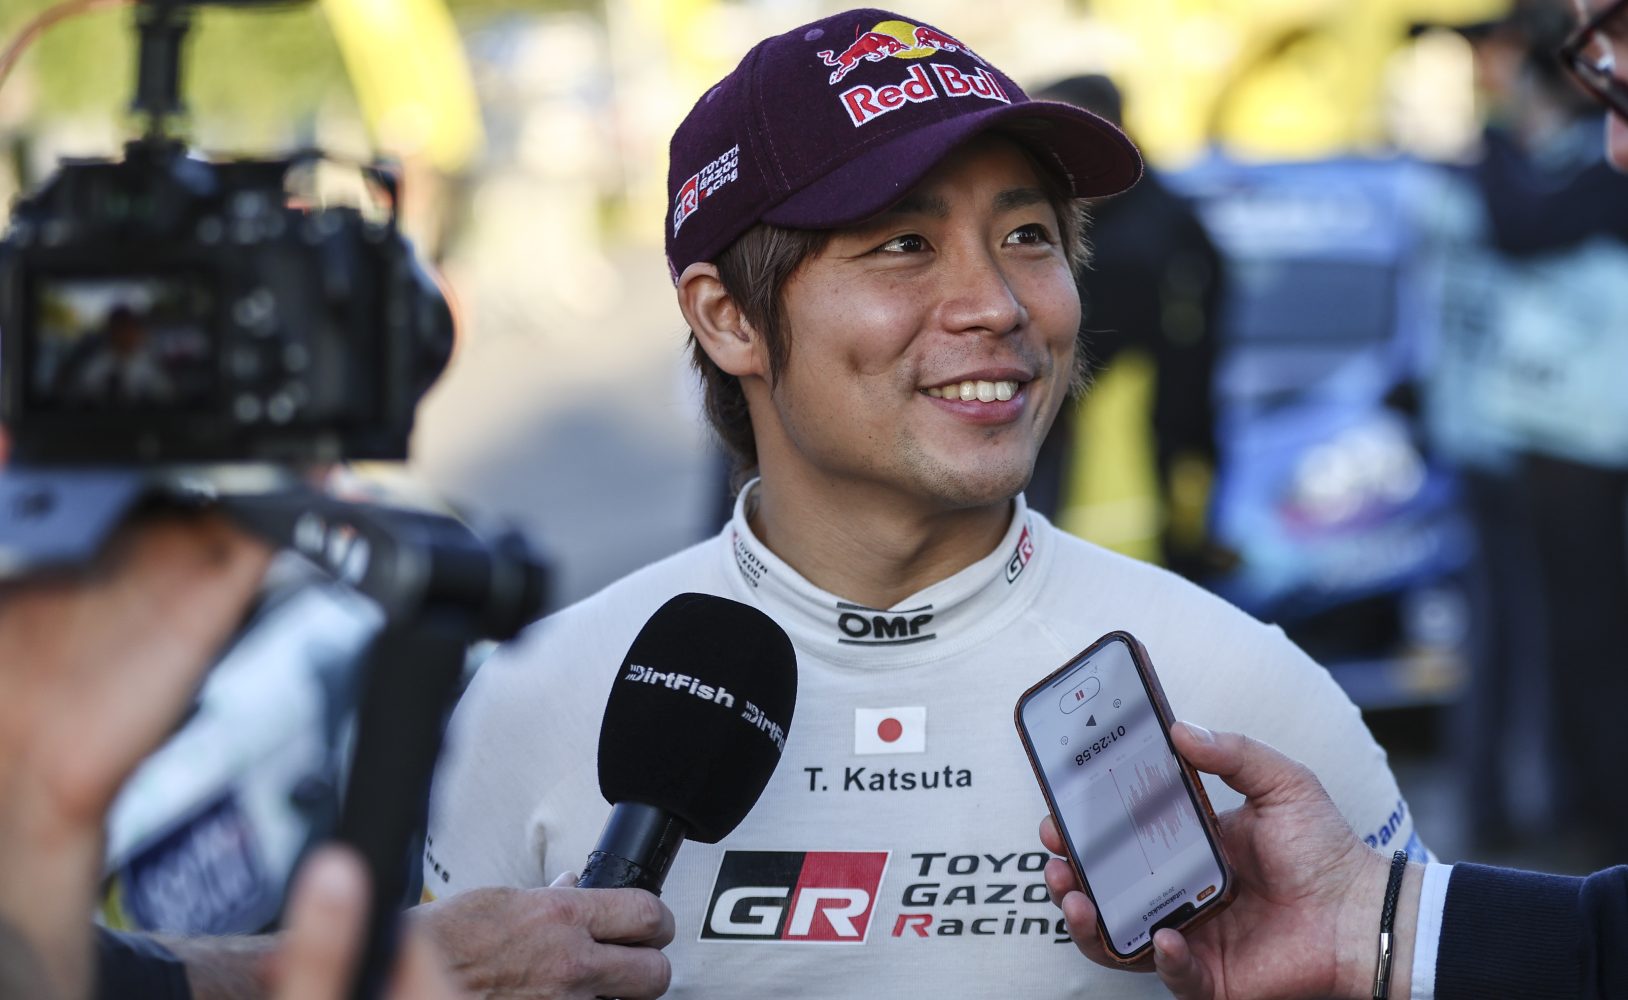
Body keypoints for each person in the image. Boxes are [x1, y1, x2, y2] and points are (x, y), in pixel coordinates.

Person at [423, 9, 1427, 997]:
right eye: (903, 244)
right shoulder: (534, 702)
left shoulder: (1248, 702)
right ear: (728, 320)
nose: (997, 303)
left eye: (1028, 236)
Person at [1044, 6, 1628, 994]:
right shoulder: (1461, 185)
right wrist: (1376, 925)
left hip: (1558, 443)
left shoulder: (1522, 181)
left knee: (1571, 647)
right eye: (1596, 75)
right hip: (1498, 442)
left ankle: (1578, 808)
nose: (1614, 139)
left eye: (1611, 69)